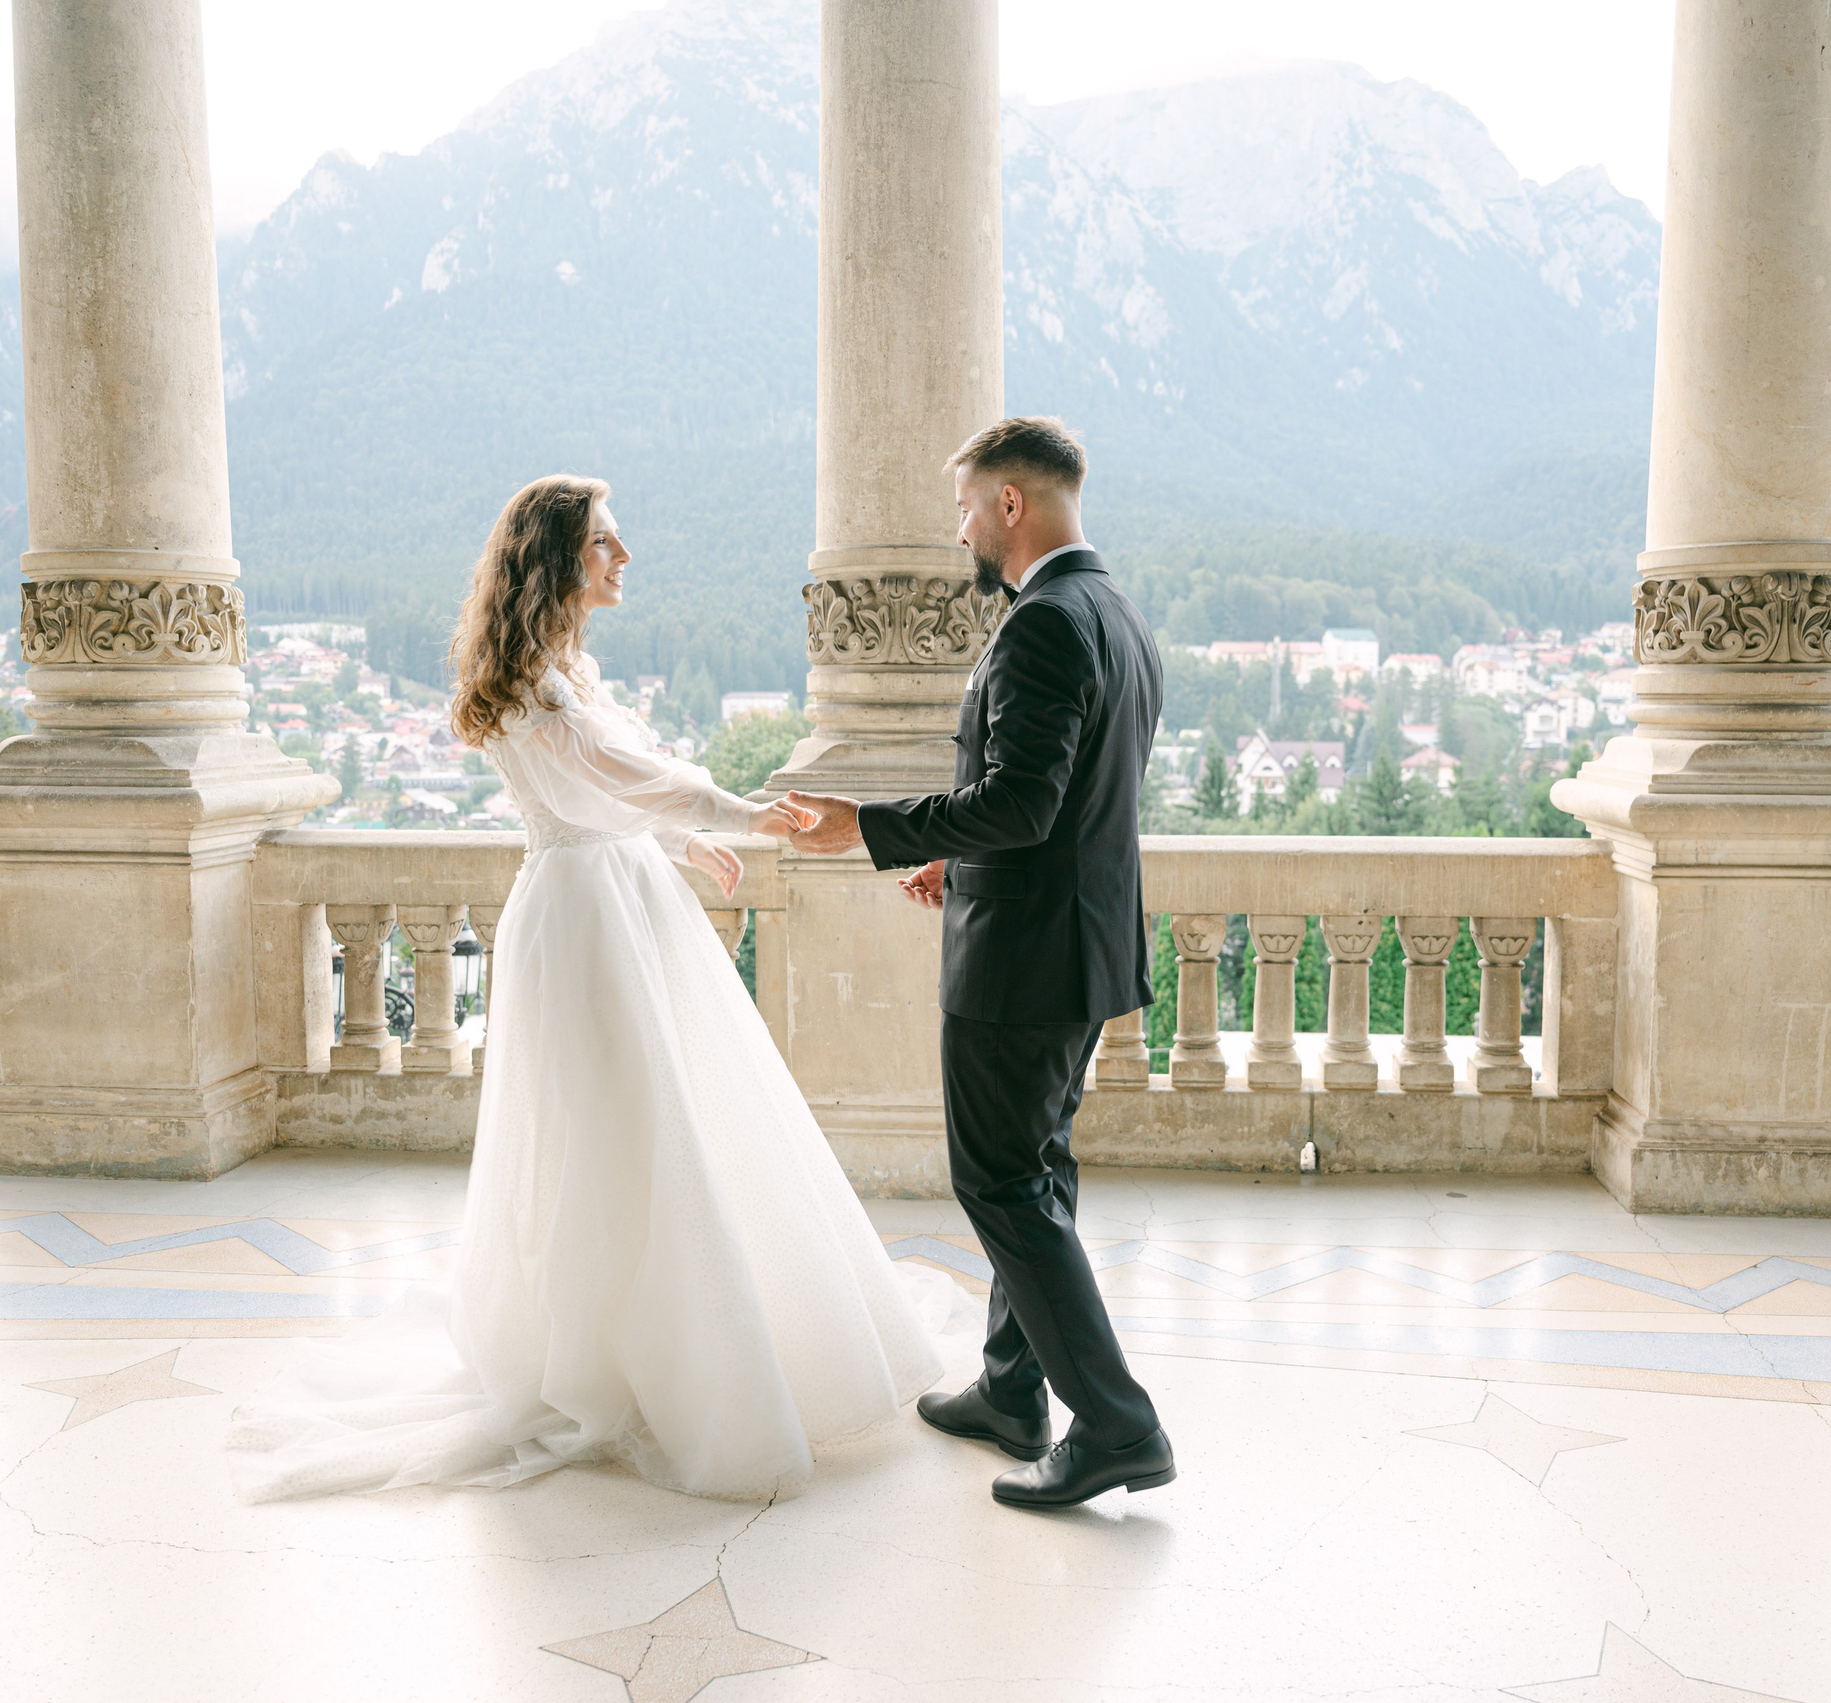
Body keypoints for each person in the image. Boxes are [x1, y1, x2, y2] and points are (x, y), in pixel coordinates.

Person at [227, 475, 947, 1502]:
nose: (624, 558)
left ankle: (684, 1331)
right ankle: (622, 1359)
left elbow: (605, 789)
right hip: (583, 919)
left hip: (622, 895)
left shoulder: (566, 669)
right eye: (606, 543)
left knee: (673, 1118)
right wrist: (735, 811)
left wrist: (688, 839)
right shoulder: (535, 684)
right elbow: (612, 775)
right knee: (613, 1133)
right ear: (558, 559)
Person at [785, 417, 1176, 1510]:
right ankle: (1012, 1392)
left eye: (965, 506)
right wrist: (962, 869)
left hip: (1024, 966)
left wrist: (868, 827)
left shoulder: (1045, 622)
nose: (959, 528)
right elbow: (1072, 811)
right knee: (1036, 1169)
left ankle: (1114, 1423)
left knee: (999, 1181)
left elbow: (1023, 799)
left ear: (1012, 502)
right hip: (1079, 945)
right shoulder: (1117, 614)